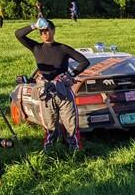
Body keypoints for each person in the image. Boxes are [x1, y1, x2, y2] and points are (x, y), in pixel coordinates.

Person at [15, 18, 90, 150]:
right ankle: (50, 150)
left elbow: (84, 61)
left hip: (63, 91)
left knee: (70, 122)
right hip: (46, 92)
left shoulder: (63, 48)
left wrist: (71, 75)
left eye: (47, 30)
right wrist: (34, 26)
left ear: (53, 31)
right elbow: (18, 34)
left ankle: (75, 150)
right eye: (42, 31)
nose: (44, 34)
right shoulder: (36, 48)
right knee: (49, 124)